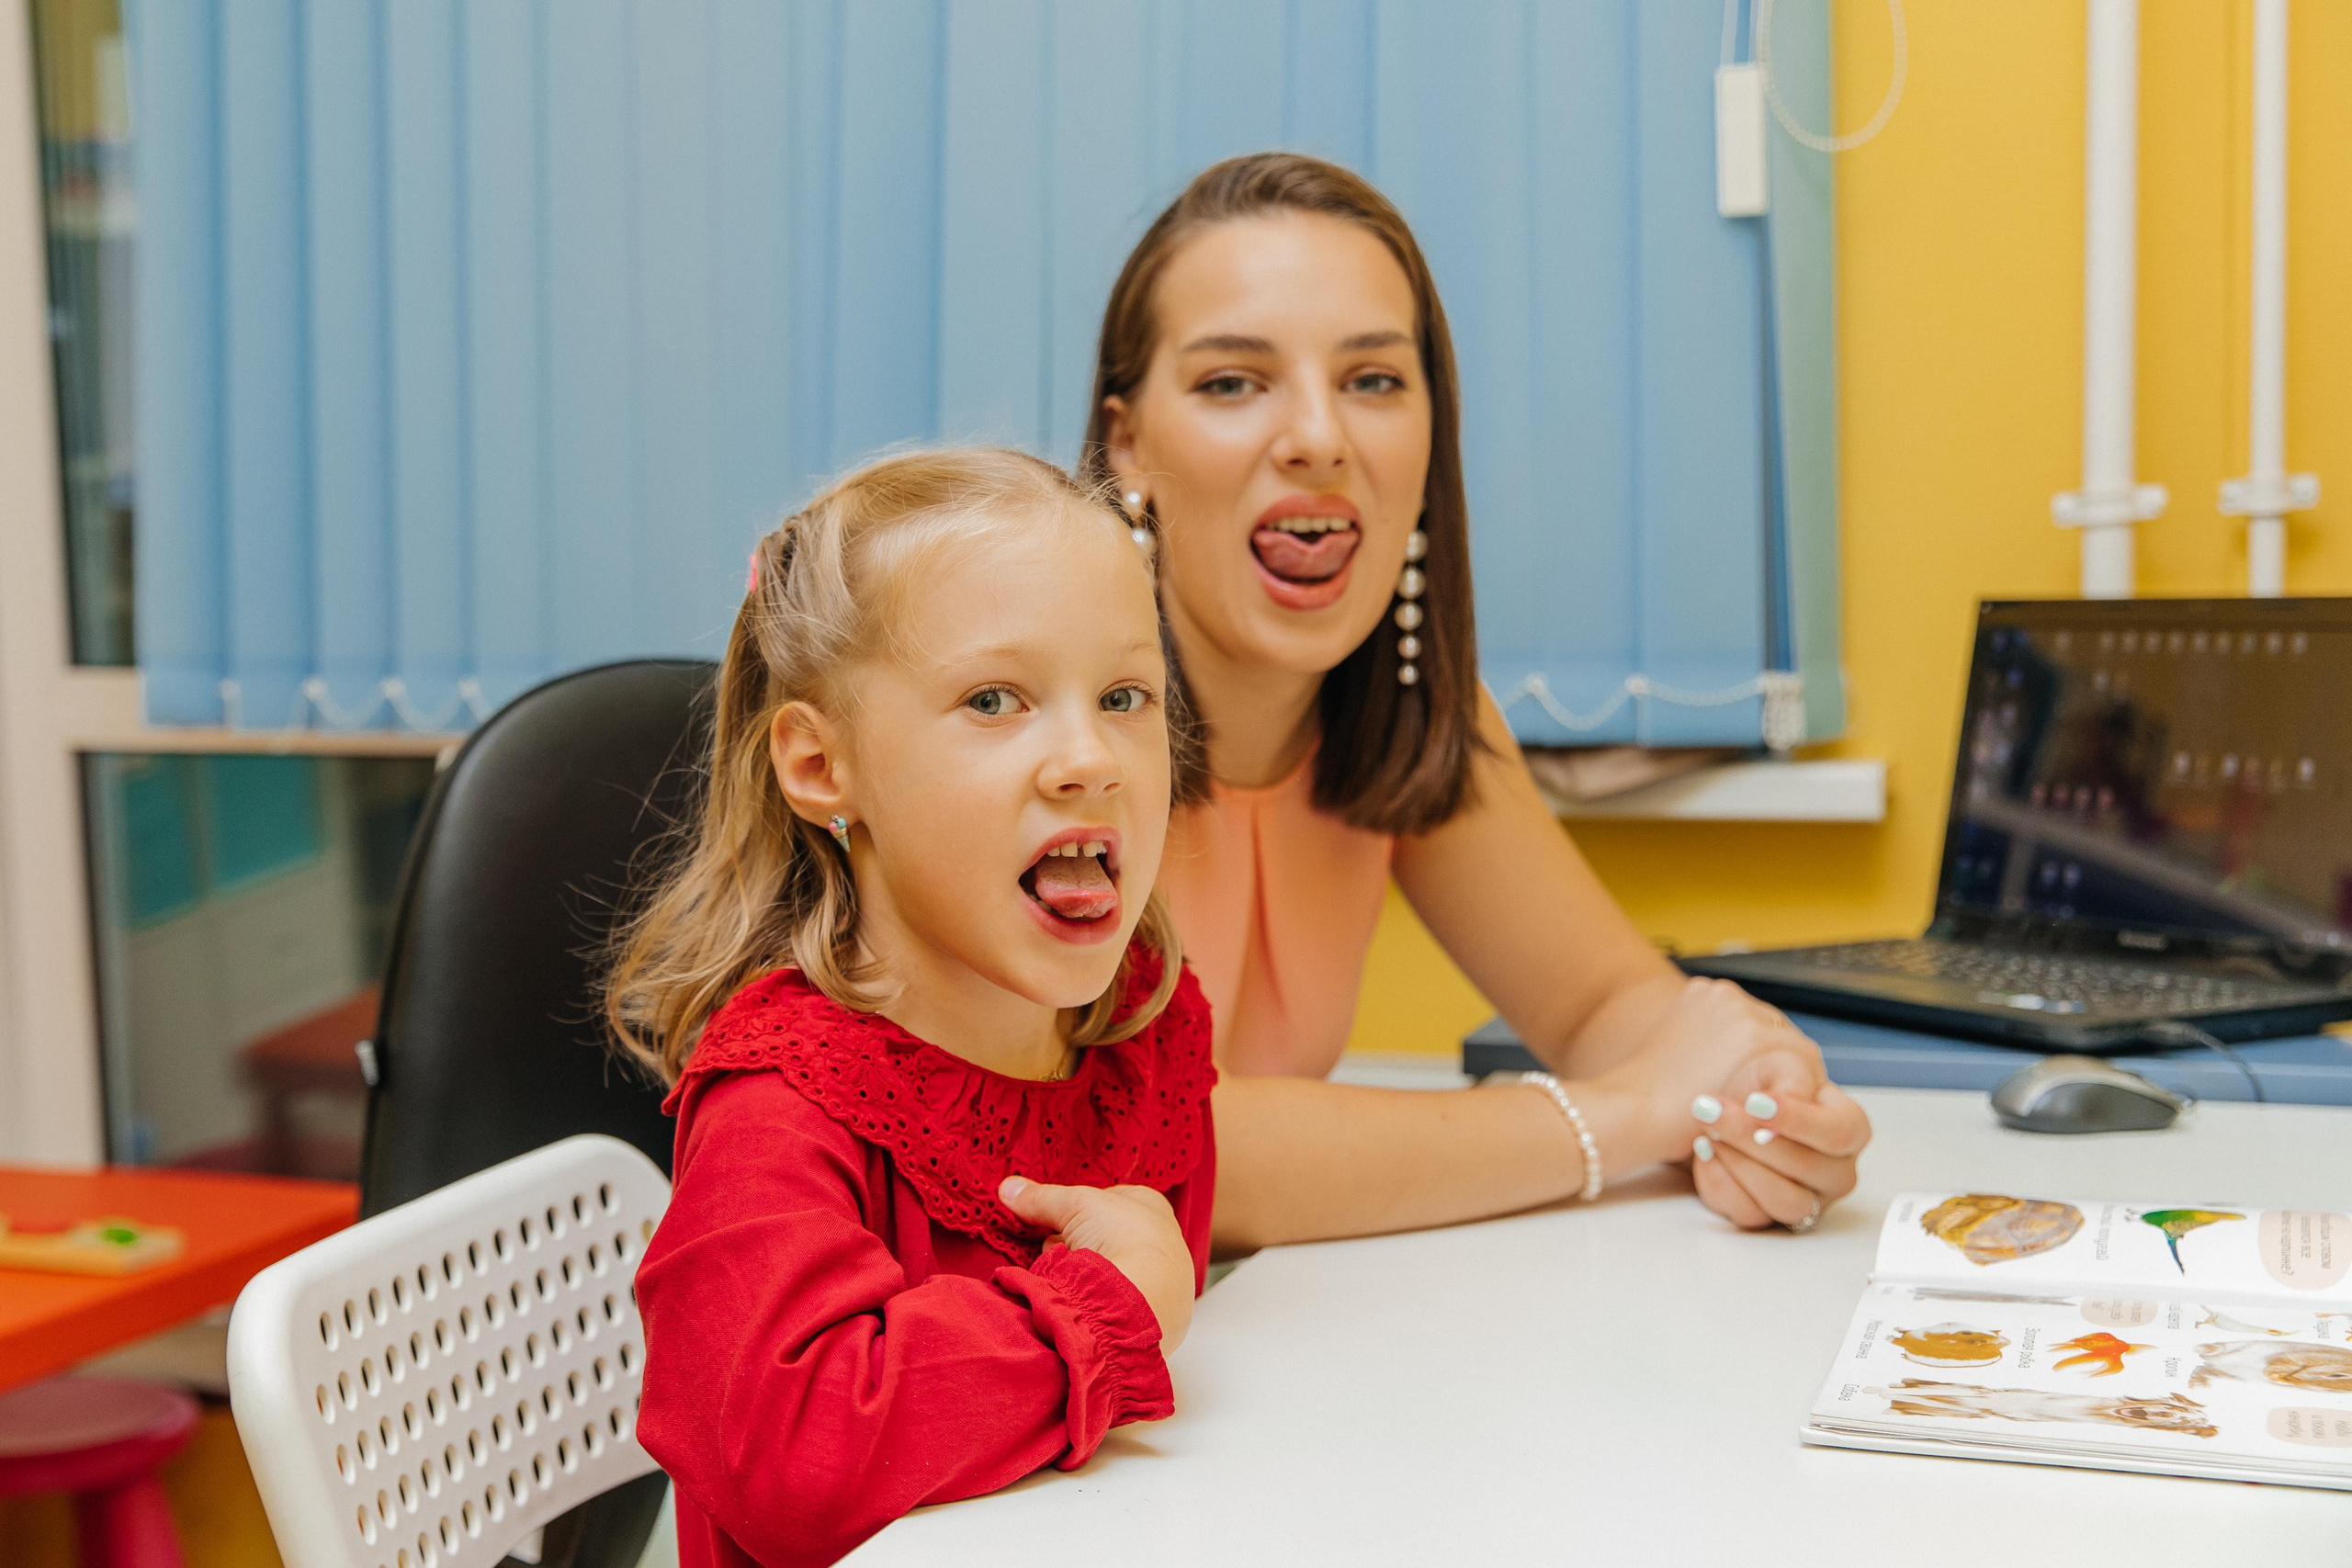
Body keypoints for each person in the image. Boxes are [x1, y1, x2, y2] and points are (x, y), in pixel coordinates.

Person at [608, 447, 1817, 1566]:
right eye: (994, 701)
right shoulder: (782, 1095)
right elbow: (782, 1453)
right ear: (823, 765)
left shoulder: (1135, 1036)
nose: (1089, 756)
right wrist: (1094, 1308)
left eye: (1126, 697)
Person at [1081, 152, 1871, 1233]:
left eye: (1373, 381)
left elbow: (1603, 1004)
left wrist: (1757, 1091)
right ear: (1127, 443)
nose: (1318, 436)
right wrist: (1624, 1115)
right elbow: (1145, 1144)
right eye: (1232, 382)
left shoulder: (1407, 715)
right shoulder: (1049, 733)